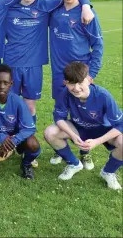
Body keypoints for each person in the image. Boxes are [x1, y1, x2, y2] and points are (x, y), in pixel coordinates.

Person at [3, 0, 94, 167]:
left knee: (30, 106)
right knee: (10, 105)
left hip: (34, 66)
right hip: (11, 65)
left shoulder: (46, 4)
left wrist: (87, 5)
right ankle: (10, 143)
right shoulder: (8, 4)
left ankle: (29, 146)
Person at [48, 0, 103, 166]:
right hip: (59, 73)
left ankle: (84, 151)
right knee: (60, 111)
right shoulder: (54, 9)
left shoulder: (86, 14)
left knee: (82, 114)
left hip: (80, 75)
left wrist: (91, 74)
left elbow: (98, 46)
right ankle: (60, 148)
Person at [44, 62, 122, 190]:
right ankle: (74, 164)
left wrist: (97, 141)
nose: (76, 88)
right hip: (79, 128)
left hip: (102, 131)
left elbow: (120, 125)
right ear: (65, 83)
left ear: (89, 80)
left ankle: (108, 172)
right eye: (71, 83)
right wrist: (73, 135)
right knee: (50, 132)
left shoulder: (103, 95)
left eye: (80, 83)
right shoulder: (64, 93)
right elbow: (59, 118)